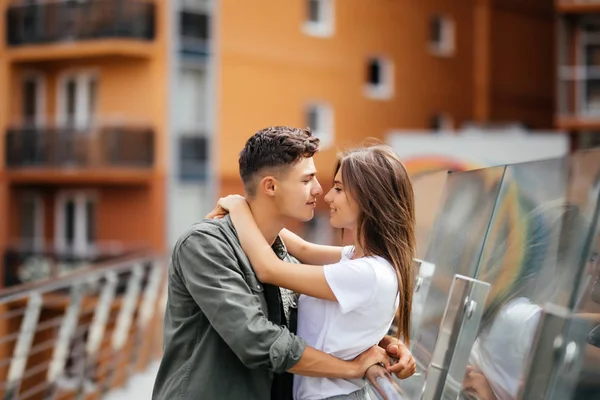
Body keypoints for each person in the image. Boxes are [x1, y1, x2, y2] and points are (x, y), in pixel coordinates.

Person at [152, 127, 415, 400]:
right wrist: (351, 367)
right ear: (271, 186)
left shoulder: (283, 256)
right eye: (307, 180)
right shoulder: (206, 245)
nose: (320, 190)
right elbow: (256, 339)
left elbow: (312, 319)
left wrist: (381, 341)